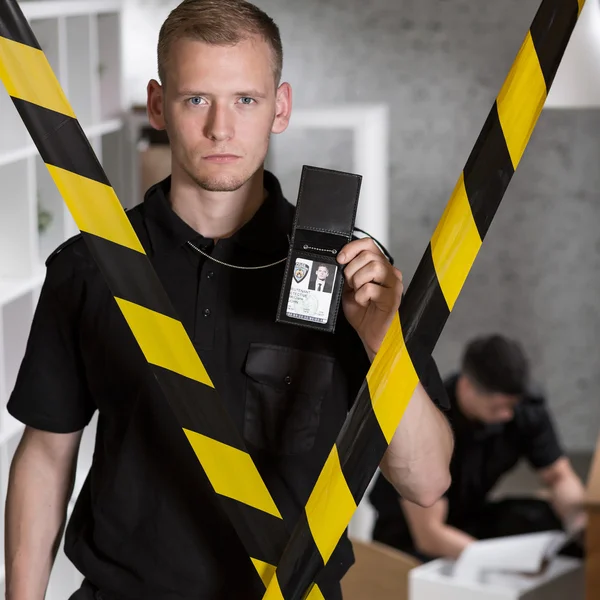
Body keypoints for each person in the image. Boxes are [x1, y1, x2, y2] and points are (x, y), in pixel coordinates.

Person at [4, 1, 453, 599]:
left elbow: (425, 483)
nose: (221, 128)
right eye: (197, 100)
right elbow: (46, 453)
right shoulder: (89, 267)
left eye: (246, 100)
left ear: (280, 107)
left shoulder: (356, 279)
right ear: (159, 106)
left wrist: (382, 343)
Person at [369, 334, 587, 563]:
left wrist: (579, 521)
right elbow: (430, 535)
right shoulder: (426, 423)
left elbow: (559, 476)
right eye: (498, 407)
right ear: (467, 387)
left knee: (545, 520)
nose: (507, 415)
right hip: (409, 537)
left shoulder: (523, 409)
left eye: (512, 405)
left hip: (470, 516)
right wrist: (505, 562)